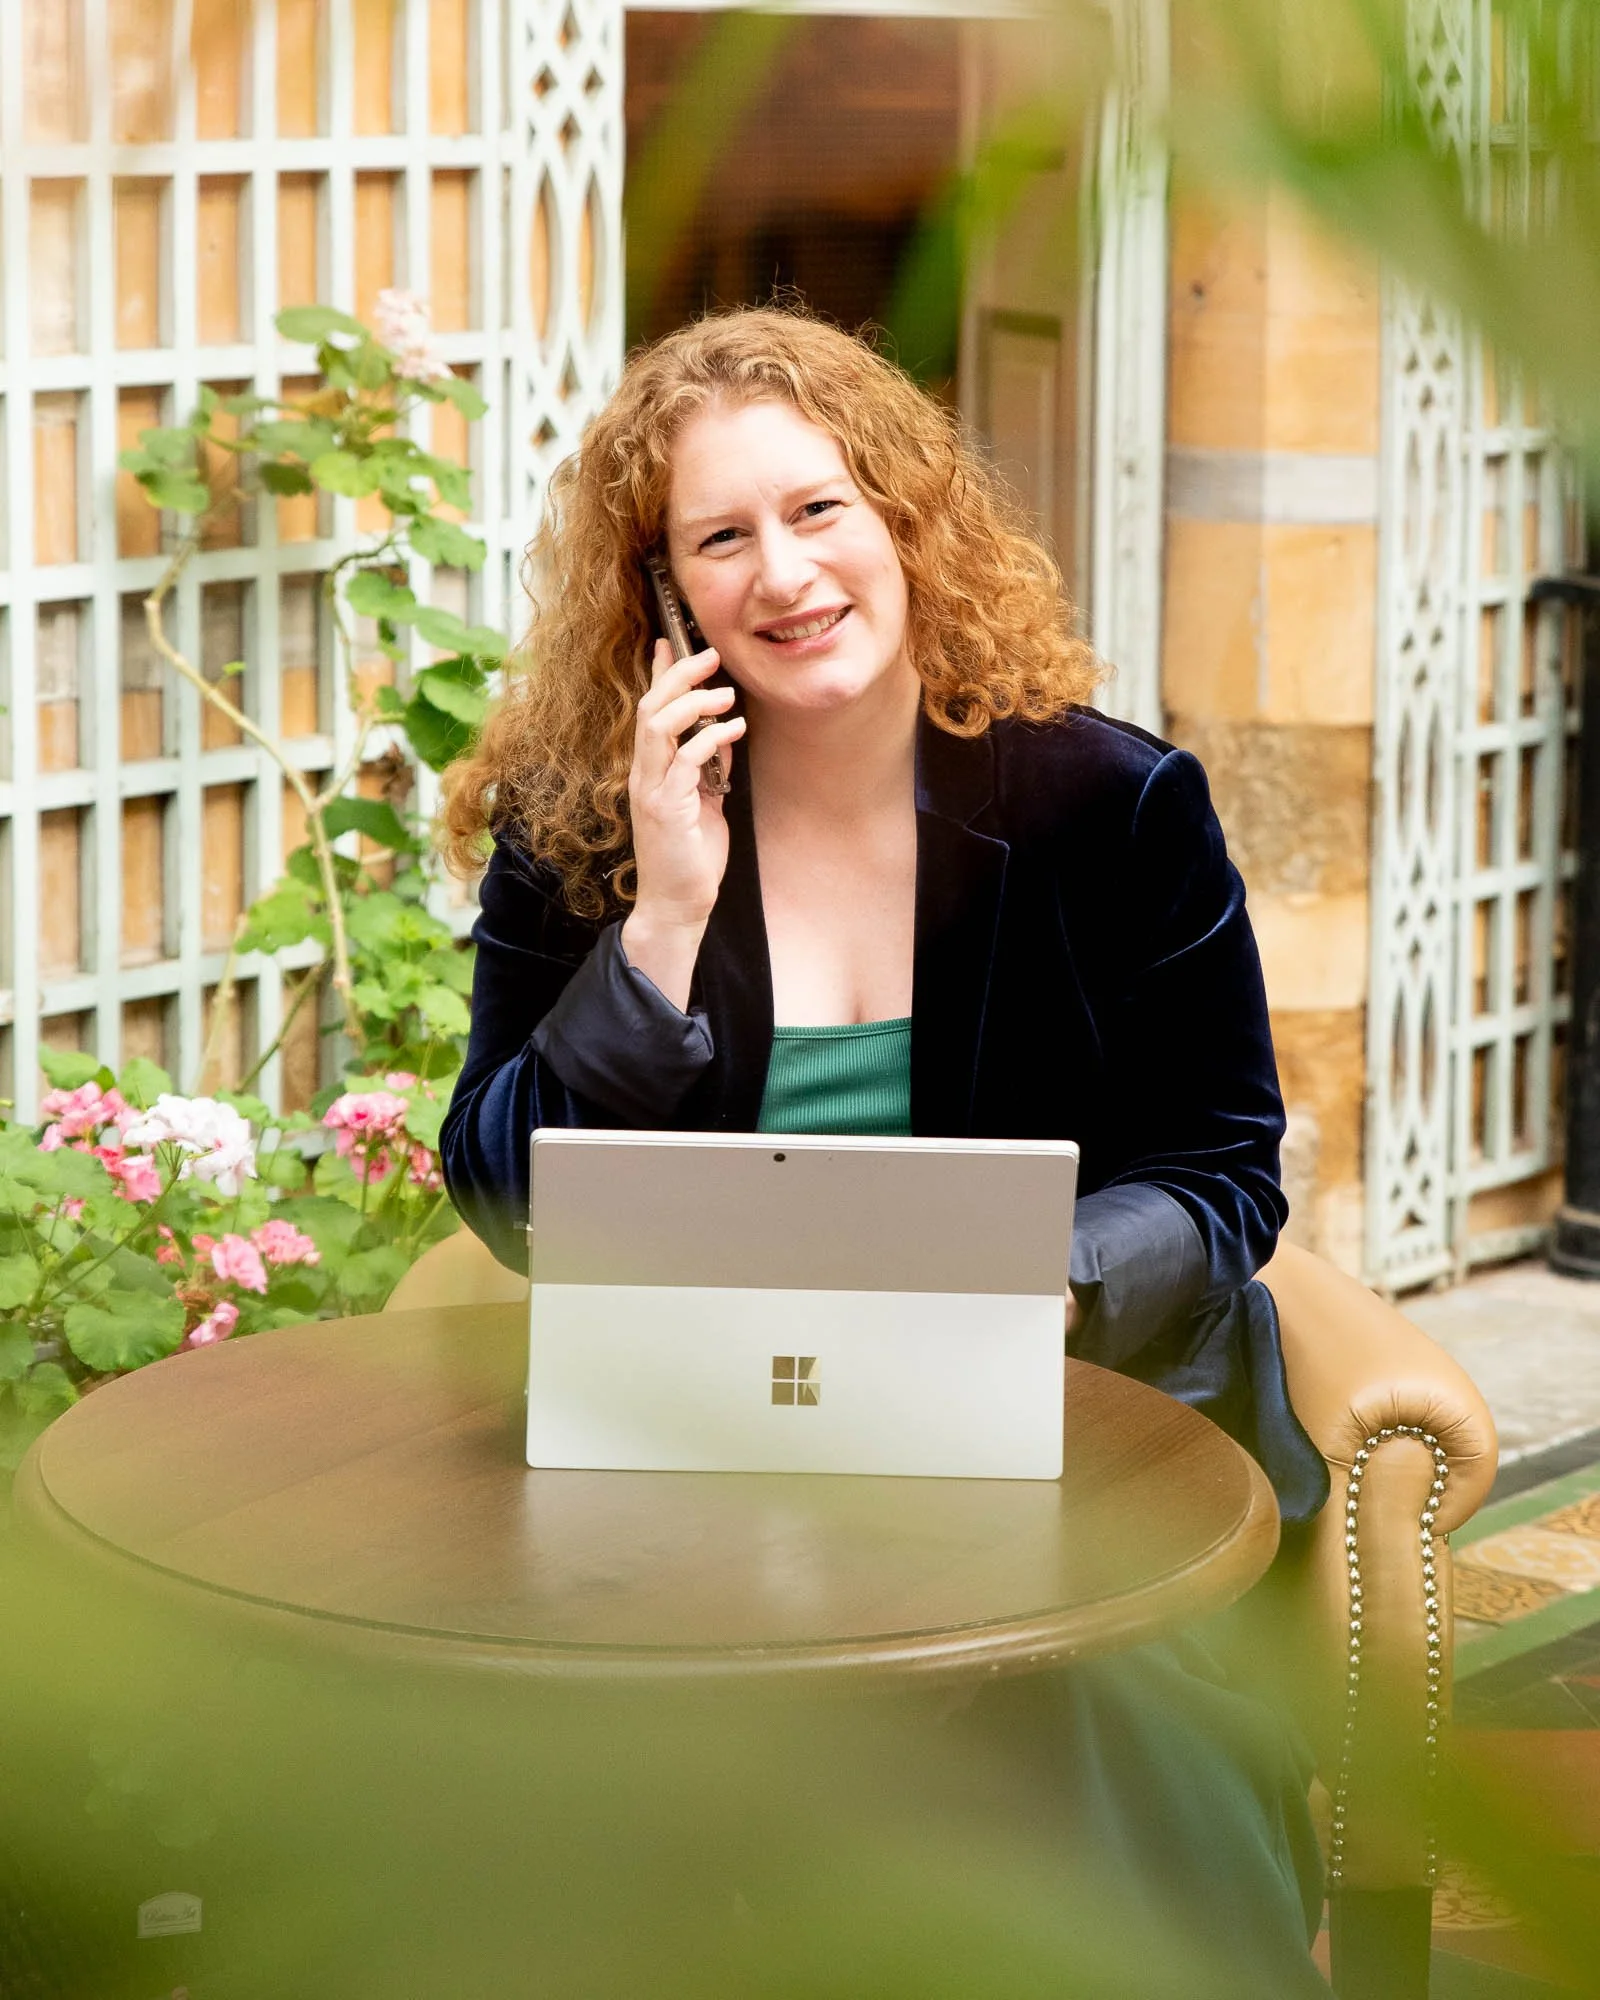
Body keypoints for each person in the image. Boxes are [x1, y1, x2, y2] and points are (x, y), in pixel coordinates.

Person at [438, 306, 1331, 1993]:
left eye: (819, 508)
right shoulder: (583, 835)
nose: (783, 573)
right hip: (711, 1475)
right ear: (661, 597)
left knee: (1071, 1731)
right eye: (720, 537)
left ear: (906, 521)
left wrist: (1035, 1283)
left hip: (1078, 1460)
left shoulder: (1113, 809)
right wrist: (664, 924)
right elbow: (501, 1200)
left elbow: (1225, 1175)